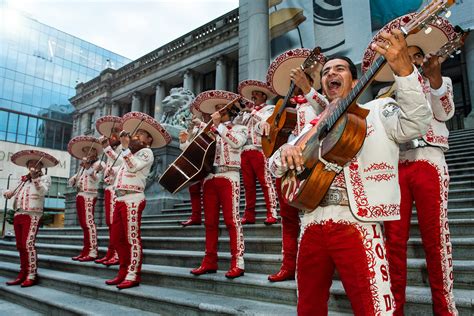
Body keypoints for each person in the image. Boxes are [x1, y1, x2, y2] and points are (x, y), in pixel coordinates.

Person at [269, 29, 432, 314]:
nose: (332, 73)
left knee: (375, 309)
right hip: (310, 225)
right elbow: (273, 166)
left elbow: (417, 122)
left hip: (357, 223)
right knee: (307, 308)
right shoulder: (310, 127)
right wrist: (284, 152)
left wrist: (405, 71)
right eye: (327, 71)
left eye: (340, 69)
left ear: (355, 81)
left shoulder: (379, 110)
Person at [362, 15, 458, 315]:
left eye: (417, 55)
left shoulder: (438, 83)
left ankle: (444, 307)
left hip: (429, 159)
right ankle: (396, 307)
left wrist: (435, 81)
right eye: (408, 55)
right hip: (397, 164)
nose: (413, 59)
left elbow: (446, 114)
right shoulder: (384, 94)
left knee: (436, 239)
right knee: (393, 241)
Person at [264, 48, 328, 282]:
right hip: (288, 164)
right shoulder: (286, 107)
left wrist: (309, 89)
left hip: (315, 162)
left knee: (314, 216)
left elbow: (328, 109)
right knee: (288, 218)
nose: (300, 84)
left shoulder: (322, 98)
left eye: (307, 80)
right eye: (298, 81)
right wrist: (267, 126)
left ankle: (318, 268)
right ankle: (289, 264)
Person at [105, 111, 171, 290]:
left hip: (133, 199)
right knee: (117, 238)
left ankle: (133, 274)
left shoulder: (147, 153)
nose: (136, 135)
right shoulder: (130, 154)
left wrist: (125, 148)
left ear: (148, 140)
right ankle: (122, 271)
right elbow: (119, 170)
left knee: (131, 238)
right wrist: (111, 171)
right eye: (137, 133)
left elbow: (133, 167)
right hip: (120, 199)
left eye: (140, 134)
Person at [189, 90, 248, 279]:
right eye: (215, 111)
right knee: (210, 223)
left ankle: (238, 262)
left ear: (228, 113)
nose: (216, 113)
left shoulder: (240, 128)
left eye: (220, 110)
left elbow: (237, 143)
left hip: (229, 176)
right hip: (209, 178)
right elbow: (193, 150)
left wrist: (217, 126)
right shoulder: (209, 130)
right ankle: (209, 261)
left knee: (232, 220)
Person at [3, 150, 59, 287]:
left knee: (28, 244)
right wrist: (7, 193)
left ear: (40, 166)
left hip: (33, 214)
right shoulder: (21, 180)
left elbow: (43, 191)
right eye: (30, 163)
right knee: (20, 245)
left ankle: (32, 274)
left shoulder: (45, 178)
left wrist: (35, 178)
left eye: (35, 163)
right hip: (18, 214)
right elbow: (11, 191)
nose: (32, 165)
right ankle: (22, 272)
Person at [237, 80, 278, 225]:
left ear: (264, 97)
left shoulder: (270, 109)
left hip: (259, 149)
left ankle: (272, 213)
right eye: (252, 95)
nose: (253, 97)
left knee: (265, 182)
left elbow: (266, 125)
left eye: (256, 95)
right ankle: (249, 215)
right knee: (248, 186)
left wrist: (253, 112)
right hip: (245, 151)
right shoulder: (247, 113)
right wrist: (241, 114)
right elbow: (237, 128)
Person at [68, 136, 104, 262]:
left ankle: (93, 250)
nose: (87, 153)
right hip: (81, 195)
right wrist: (73, 179)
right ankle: (86, 249)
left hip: (89, 195)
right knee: (84, 224)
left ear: (95, 153)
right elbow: (74, 179)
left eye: (90, 150)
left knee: (89, 223)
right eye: (85, 151)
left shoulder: (99, 164)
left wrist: (88, 166)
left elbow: (96, 179)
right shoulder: (83, 167)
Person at [95, 115, 123, 266]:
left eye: (116, 132)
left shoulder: (123, 148)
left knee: (115, 223)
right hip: (108, 188)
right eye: (111, 132)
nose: (112, 136)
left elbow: (121, 162)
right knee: (109, 222)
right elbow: (110, 167)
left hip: (117, 189)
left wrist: (106, 148)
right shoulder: (111, 150)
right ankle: (111, 251)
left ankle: (117, 253)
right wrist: (102, 168)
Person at [178, 109, 210, 227]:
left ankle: (209, 216)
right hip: (194, 163)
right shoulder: (195, 129)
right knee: (194, 190)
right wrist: (185, 139)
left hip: (207, 162)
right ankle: (195, 217)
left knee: (206, 190)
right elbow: (186, 148)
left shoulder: (210, 125)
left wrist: (200, 124)